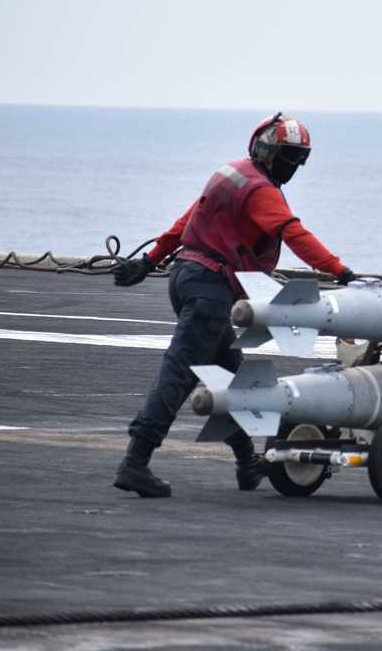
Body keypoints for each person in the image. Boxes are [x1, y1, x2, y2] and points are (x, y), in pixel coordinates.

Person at [111, 113, 356, 498]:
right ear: (270, 152)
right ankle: (135, 462)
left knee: (237, 381)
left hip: (188, 277)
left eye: (298, 157)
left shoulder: (231, 173)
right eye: (288, 156)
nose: (292, 165)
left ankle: (247, 465)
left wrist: (149, 261)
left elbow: (186, 221)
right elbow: (293, 233)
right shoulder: (261, 192)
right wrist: (342, 272)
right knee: (179, 374)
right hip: (211, 291)